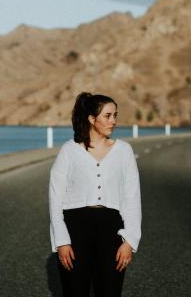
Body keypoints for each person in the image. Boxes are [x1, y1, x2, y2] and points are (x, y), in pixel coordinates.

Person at [49, 92, 142, 297]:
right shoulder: (69, 150)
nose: (113, 121)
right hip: (75, 228)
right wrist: (62, 240)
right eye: (108, 116)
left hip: (111, 229)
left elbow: (132, 198)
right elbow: (55, 198)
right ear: (92, 119)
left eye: (115, 115)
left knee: (110, 291)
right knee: (74, 291)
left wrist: (130, 240)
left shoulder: (124, 151)